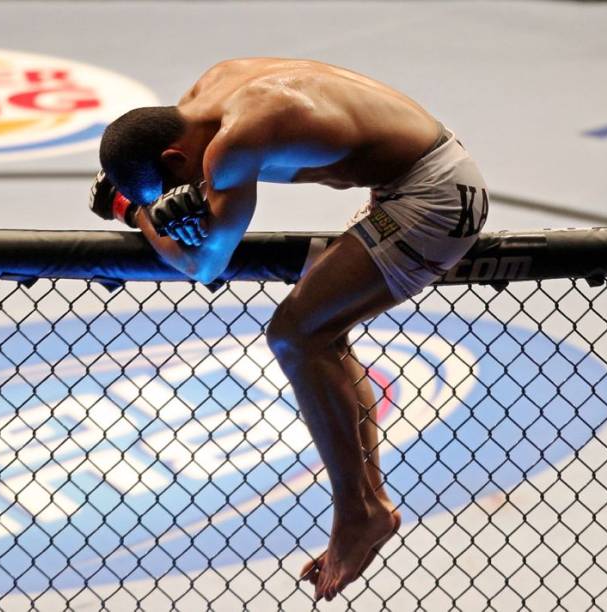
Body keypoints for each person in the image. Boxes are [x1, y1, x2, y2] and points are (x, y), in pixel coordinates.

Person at [89, 57, 488, 601]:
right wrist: (164, 200)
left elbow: (205, 265)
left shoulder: (233, 144)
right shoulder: (213, 86)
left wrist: (134, 213)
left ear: (174, 156)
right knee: (323, 333)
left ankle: (356, 511)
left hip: (433, 199)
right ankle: (369, 504)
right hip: (414, 178)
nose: (182, 194)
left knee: (295, 335)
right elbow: (203, 205)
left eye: (173, 183)